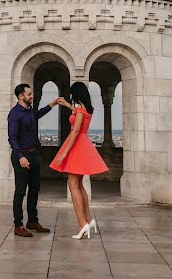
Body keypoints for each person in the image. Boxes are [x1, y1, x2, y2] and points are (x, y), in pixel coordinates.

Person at [50, 81, 109, 239]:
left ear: (76, 94)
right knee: (79, 185)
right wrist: (68, 105)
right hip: (83, 145)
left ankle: (82, 224)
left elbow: (75, 131)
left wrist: (63, 154)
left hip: (77, 146)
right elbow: (78, 112)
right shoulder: (86, 108)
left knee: (73, 184)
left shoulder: (81, 109)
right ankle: (89, 220)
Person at [8, 83, 59, 237]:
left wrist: (52, 104)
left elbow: (38, 114)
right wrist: (21, 157)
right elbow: (12, 138)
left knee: (35, 189)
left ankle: (32, 221)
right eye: (29, 94)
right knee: (20, 191)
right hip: (21, 156)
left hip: (34, 154)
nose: (32, 96)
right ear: (21, 96)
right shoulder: (15, 114)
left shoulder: (30, 111)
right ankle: (18, 225)